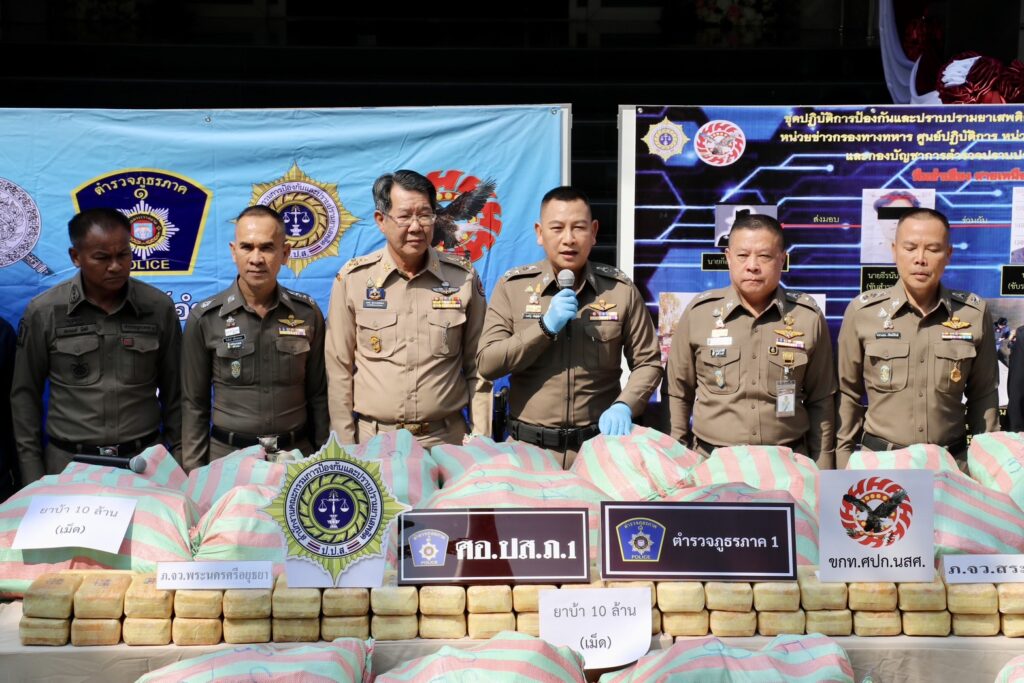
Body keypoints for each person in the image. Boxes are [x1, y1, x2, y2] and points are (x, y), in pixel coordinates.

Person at [476, 186, 662, 468]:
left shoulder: (619, 290)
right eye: (557, 228)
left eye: (578, 228)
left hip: (599, 451)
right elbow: (487, 363)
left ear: (594, 231)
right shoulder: (512, 288)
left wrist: (625, 405)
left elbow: (648, 362)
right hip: (528, 452)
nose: (568, 239)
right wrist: (544, 327)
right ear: (540, 233)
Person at [11, 208, 182, 481]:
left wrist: (180, 462)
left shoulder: (158, 307)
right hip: (68, 467)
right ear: (76, 257)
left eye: (123, 255)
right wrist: (32, 474)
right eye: (102, 258)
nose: (115, 266)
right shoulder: (45, 312)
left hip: (143, 464)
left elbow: (177, 393)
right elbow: (24, 396)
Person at [325, 169, 491, 447]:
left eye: (425, 215)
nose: (416, 227)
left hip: (446, 440)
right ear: (381, 220)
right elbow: (338, 369)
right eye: (404, 216)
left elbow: (479, 366)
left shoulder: (462, 278)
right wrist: (345, 447)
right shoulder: (353, 280)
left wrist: (481, 439)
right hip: (375, 442)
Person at [665, 213, 836, 465]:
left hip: (787, 465)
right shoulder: (699, 314)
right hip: (713, 464)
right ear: (728, 258)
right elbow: (677, 393)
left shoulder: (806, 317)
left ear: (782, 259)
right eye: (743, 255)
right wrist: (677, 459)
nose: (752, 265)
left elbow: (821, 400)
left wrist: (823, 470)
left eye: (764, 256)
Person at [836, 208, 998, 467]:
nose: (920, 259)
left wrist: (988, 466)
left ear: (948, 254)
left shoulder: (973, 314)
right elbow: (847, 394)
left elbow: (984, 395)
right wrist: (843, 463)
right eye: (910, 248)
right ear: (894, 251)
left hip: (950, 466)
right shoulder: (863, 313)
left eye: (932, 249)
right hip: (882, 466)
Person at [181, 206, 329, 471]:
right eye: (247, 247)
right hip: (227, 460)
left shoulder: (307, 313)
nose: (256, 259)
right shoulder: (205, 318)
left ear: (285, 253)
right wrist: (194, 470)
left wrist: (324, 460)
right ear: (233, 251)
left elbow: (319, 395)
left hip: (297, 457)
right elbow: (194, 404)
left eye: (267, 248)